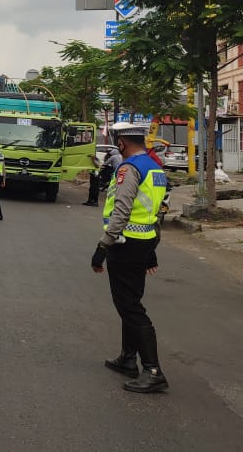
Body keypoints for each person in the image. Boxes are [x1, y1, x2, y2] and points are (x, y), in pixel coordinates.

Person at [90, 122, 169, 393]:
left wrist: (102, 247)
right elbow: (155, 212)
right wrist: (151, 251)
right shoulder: (154, 168)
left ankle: (153, 370)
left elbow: (122, 211)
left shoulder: (129, 168)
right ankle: (127, 358)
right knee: (130, 302)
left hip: (125, 245)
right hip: (143, 243)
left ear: (121, 143)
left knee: (130, 308)